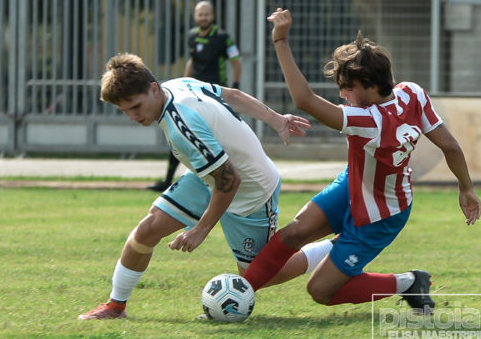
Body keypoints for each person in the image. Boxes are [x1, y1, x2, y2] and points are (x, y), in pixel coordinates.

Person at [242, 9, 481, 313]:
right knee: (293, 233)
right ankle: (241, 294)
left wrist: (280, 40)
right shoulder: (412, 93)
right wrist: (466, 189)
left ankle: (407, 282)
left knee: (320, 291)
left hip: (381, 215)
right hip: (352, 186)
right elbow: (450, 145)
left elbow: (304, 100)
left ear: (369, 84)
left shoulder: (368, 120)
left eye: (347, 87)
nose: (342, 94)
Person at [78, 53, 335, 320]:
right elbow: (233, 95)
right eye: (125, 111)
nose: (133, 116)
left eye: (136, 106)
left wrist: (201, 229)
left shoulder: (182, 124)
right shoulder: (177, 85)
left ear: (153, 89)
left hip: (252, 189)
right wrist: (276, 119)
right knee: (147, 230)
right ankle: (115, 306)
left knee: (256, 274)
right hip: (214, 175)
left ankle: (334, 248)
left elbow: (230, 181)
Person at [149, 0, 242, 192]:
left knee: (218, 134)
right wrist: (183, 81)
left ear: (213, 16)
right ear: (195, 17)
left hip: (214, 93)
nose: (203, 17)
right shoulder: (191, 36)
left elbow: (236, 62)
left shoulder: (223, 37)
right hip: (193, 93)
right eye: (200, 14)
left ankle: (230, 177)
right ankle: (168, 180)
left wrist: (234, 86)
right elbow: (192, 60)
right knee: (180, 133)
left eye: (206, 14)